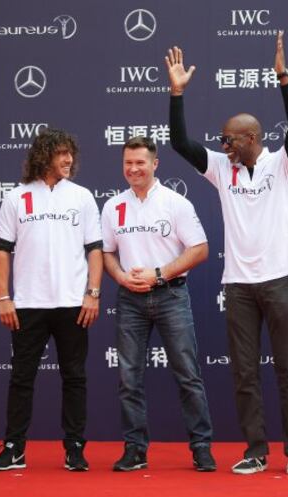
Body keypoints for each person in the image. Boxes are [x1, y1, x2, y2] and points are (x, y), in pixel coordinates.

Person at [165, 32, 288, 475]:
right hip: (239, 284)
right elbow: (180, 144)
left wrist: (283, 77)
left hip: (280, 276)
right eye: (223, 140)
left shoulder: (282, 165)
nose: (223, 145)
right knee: (245, 373)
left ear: (250, 138)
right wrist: (177, 94)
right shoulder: (221, 169)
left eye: (230, 139)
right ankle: (256, 451)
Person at [0, 128, 103, 472]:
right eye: (61, 153)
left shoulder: (82, 196)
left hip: (72, 303)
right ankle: (14, 448)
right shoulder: (16, 197)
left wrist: (93, 294)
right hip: (27, 304)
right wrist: (4, 297)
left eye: (71, 154)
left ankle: (75, 449)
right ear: (44, 155)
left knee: (75, 378)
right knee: (22, 378)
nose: (69, 160)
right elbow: (2, 251)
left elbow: (95, 249)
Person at [101, 136, 216, 472]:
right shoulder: (113, 206)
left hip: (170, 296)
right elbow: (107, 252)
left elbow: (200, 249)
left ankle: (201, 447)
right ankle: (135, 449)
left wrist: (159, 274)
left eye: (140, 163)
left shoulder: (175, 203)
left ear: (155, 164)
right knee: (128, 377)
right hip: (129, 299)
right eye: (128, 163)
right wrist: (121, 277)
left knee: (187, 374)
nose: (134, 169)